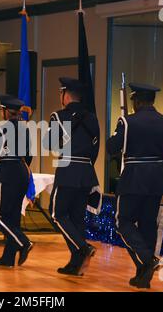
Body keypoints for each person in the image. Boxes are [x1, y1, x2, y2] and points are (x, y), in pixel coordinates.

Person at [106, 83, 163, 289]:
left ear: (135, 101)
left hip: (134, 177)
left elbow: (112, 148)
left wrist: (117, 131)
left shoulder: (127, 122)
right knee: (147, 223)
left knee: (122, 222)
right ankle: (143, 275)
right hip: (158, 177)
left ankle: (147, 259)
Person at [43, 77, 100, 276]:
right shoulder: (92, 117)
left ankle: (82, 247)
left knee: (56, 213)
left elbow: (48, 143)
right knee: (77, 218)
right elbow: (96, 147)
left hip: (67, 169)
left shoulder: (59, 116)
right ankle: (75, 263)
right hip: (87, 171)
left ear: (65, 95)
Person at [0, 94, 34, 267]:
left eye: (1, 110)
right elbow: (29, 155)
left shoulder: (1, 128)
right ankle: (8, 256)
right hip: (21, 171)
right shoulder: (25, 128)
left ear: (7, 112)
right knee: (13, 216)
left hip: (6, 170)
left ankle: (23, 242)